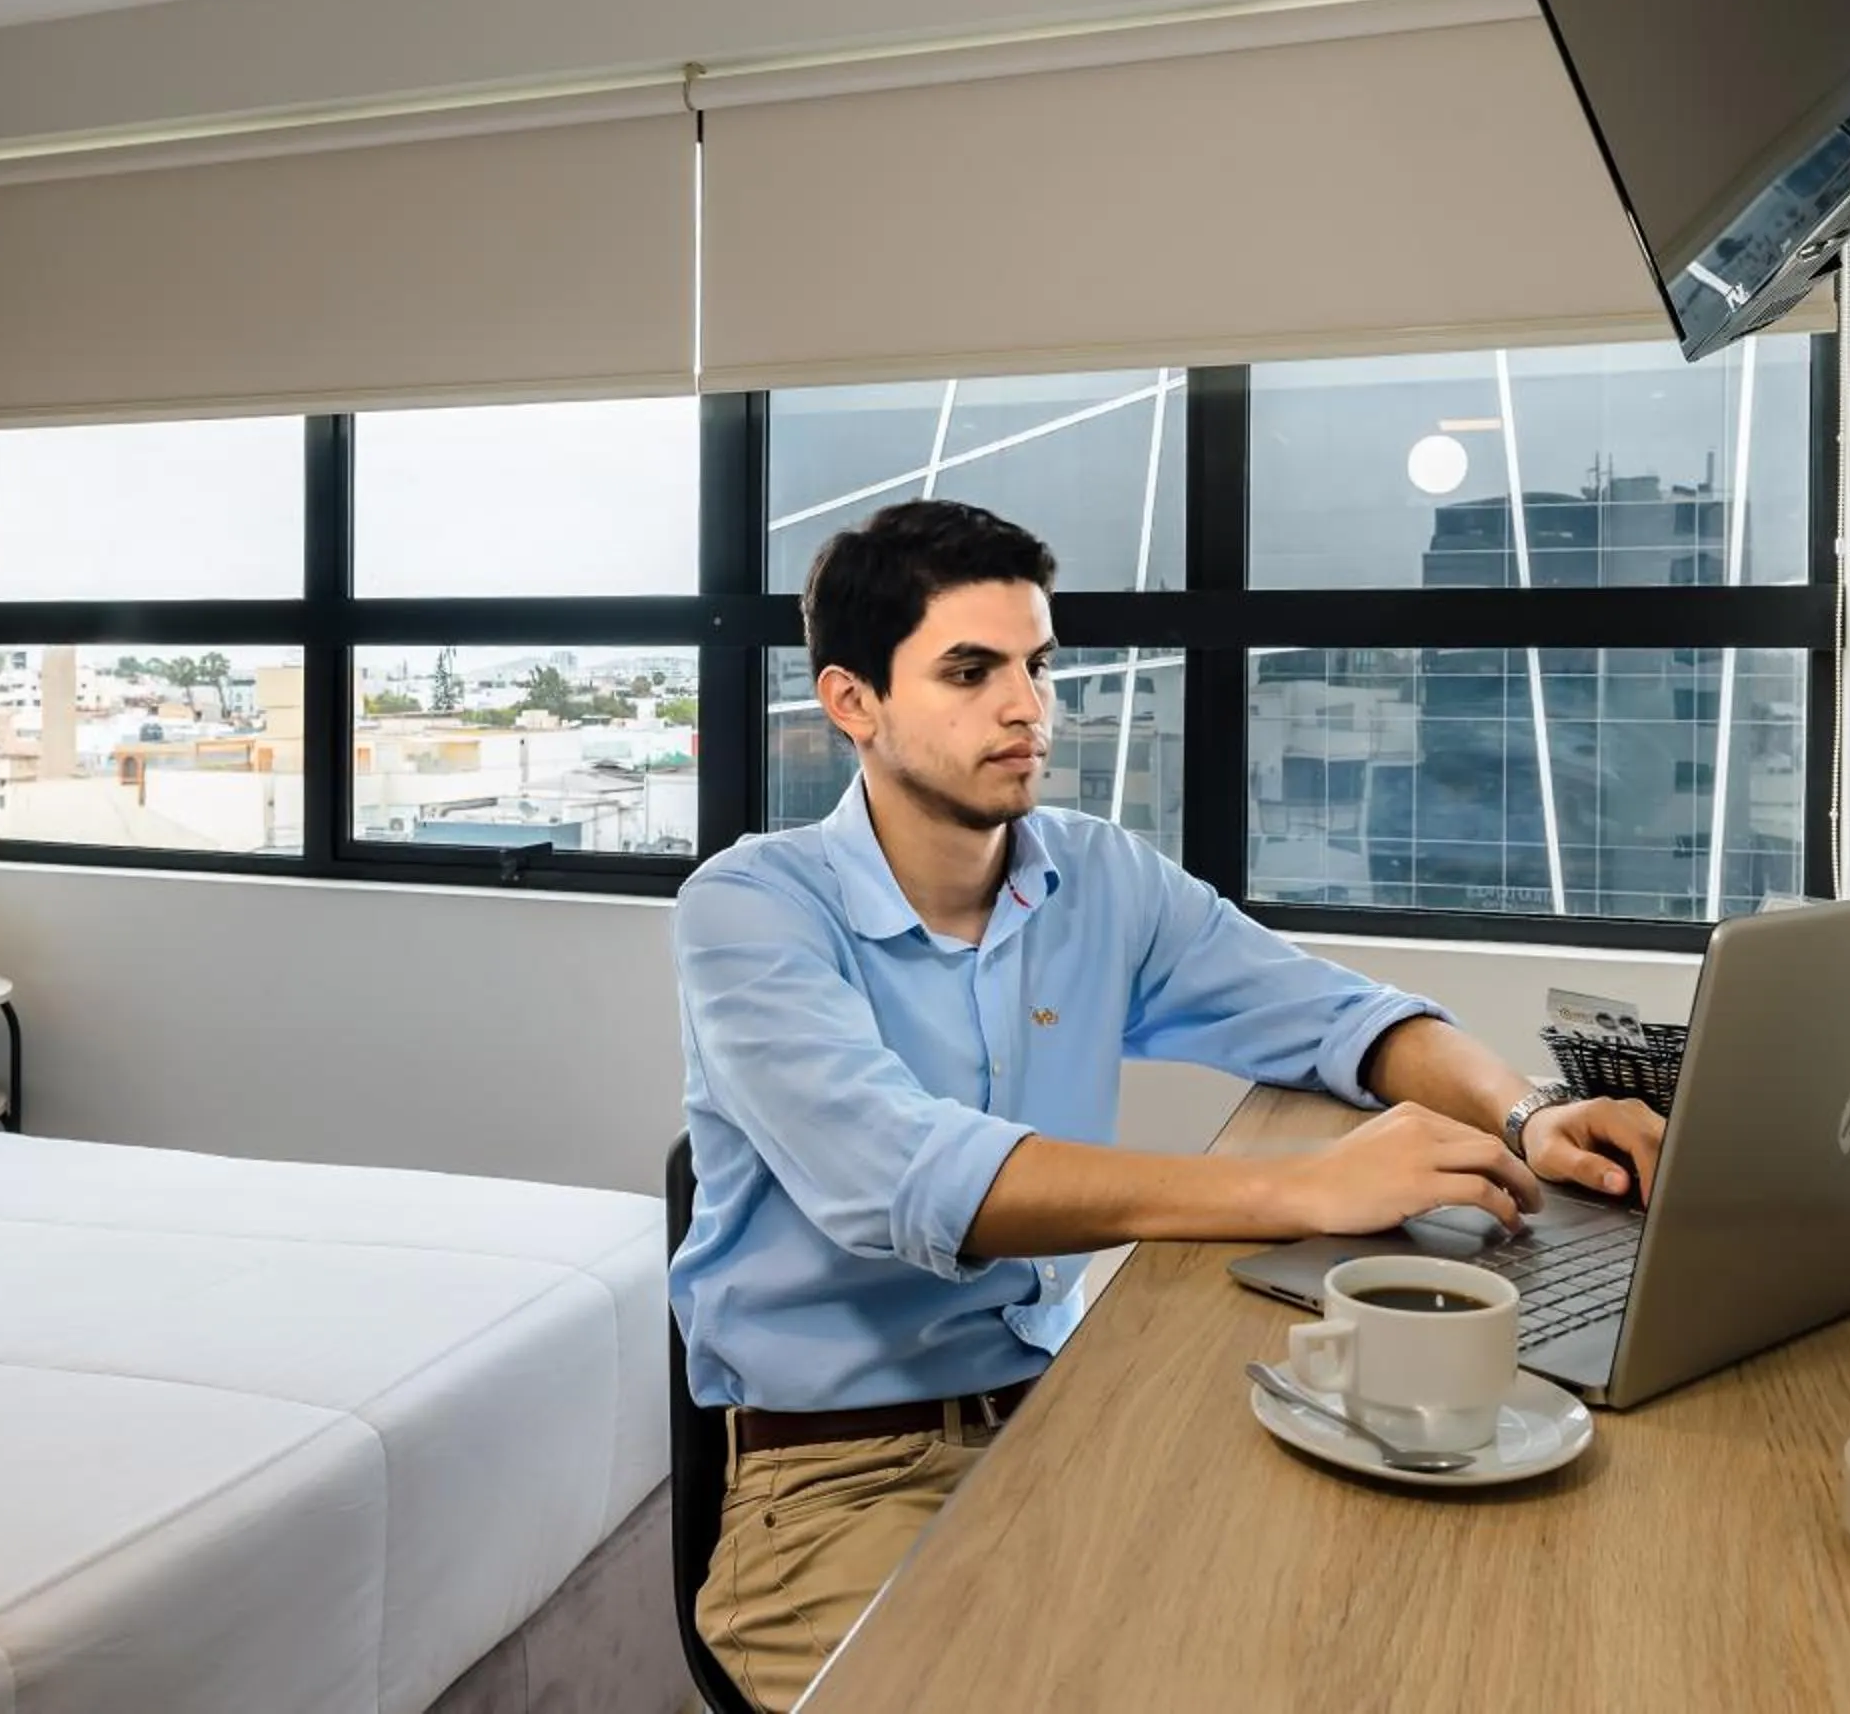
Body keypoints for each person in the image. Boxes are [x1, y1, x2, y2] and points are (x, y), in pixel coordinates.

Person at [669, 500, 1664, 1710]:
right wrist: (1297, 1187)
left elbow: (1333, 1014)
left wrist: (1529, 1112)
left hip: (1064, 1412)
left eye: (1039, 664)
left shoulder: (1094, 874)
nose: (1028, 706)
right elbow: (909, 1180)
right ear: (852, 704)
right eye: (970, 671)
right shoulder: (750, 906)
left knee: (1363, 1632)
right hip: (839, 1483)